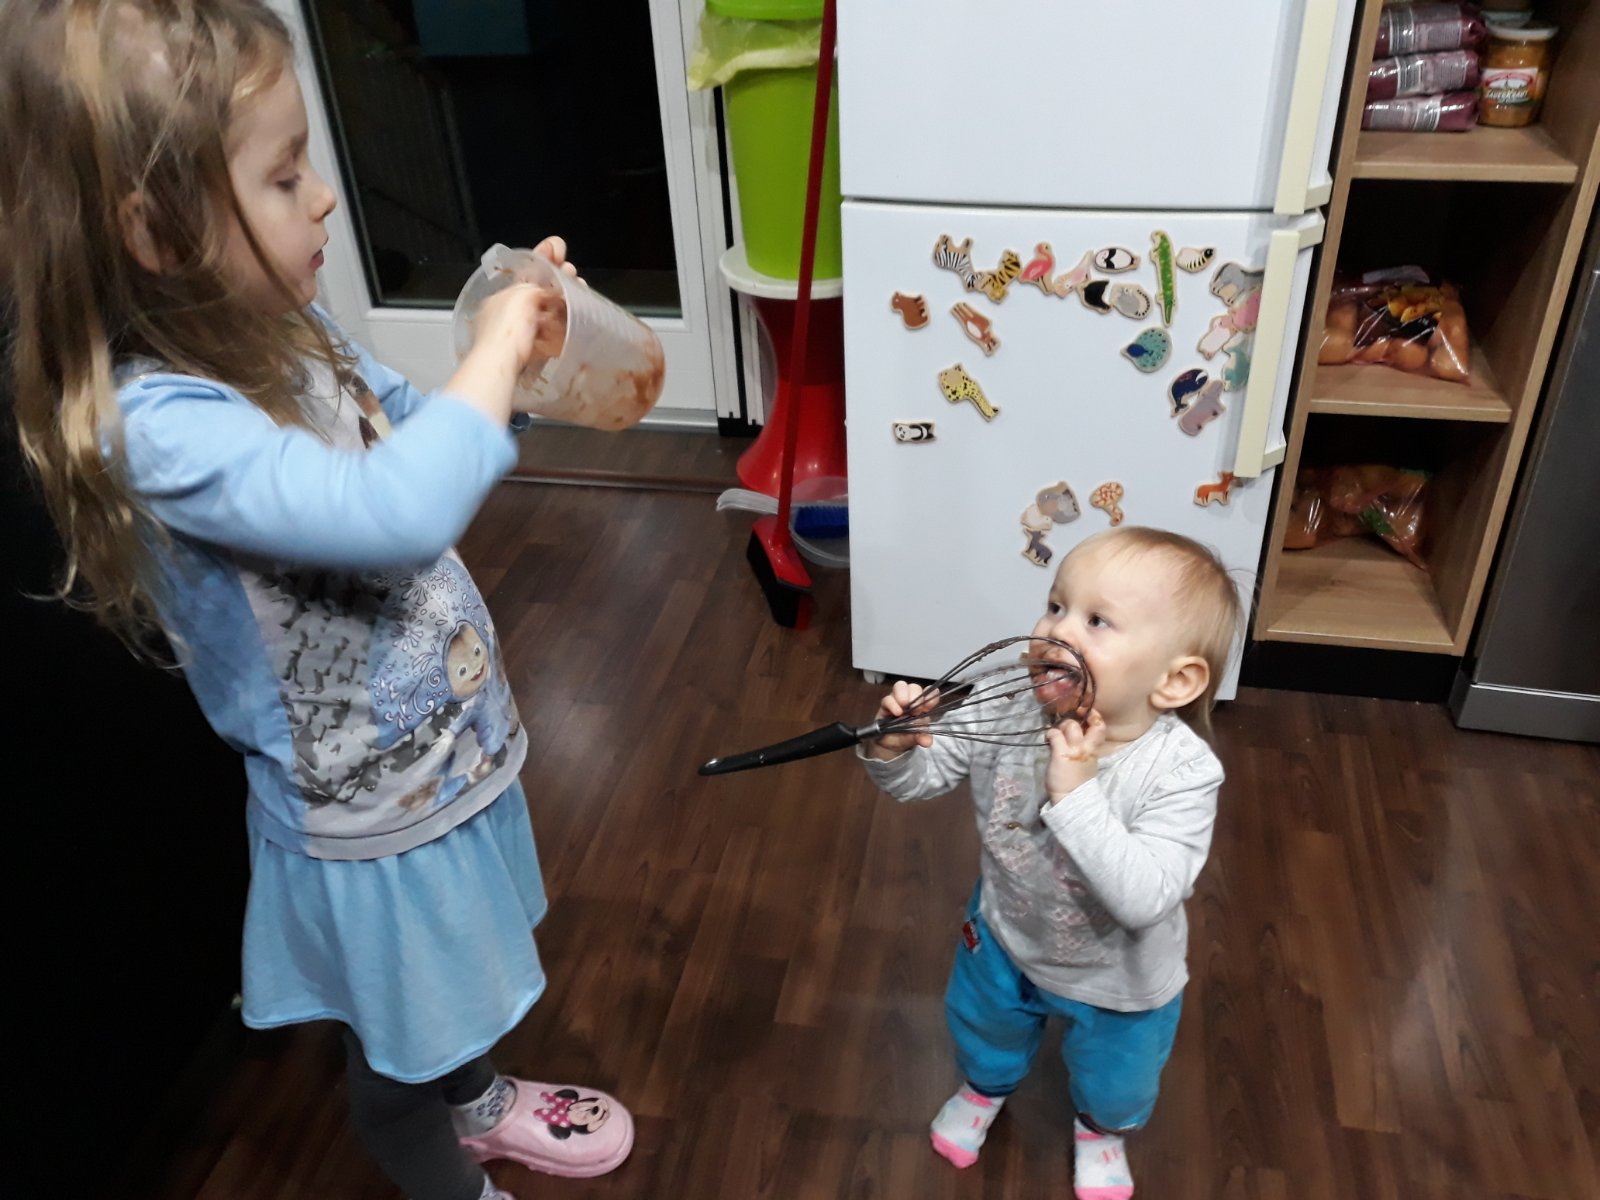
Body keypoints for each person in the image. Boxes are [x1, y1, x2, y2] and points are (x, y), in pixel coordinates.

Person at [1, 4, 631, 1198]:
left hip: (440, 758)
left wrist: (524, 360)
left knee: (453, 995)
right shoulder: (160, 425)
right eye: (285, 177)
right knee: (394, 1067)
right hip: (363, 827)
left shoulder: (285, 327)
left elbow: (414, 432)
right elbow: (395, 510)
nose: (326, 198)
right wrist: (493, 355)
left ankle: (475, 1095)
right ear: (157, 230)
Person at [861, 526, 1241, 1199]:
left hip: (1120, 977)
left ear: (1175, 679)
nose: (1056, 630)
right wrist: (894, 747)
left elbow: (1145, 898)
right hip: (1007, 933)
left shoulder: (1182, 774)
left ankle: (1100, 1130)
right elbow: (920, 781)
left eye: (1097, 621)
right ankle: (986, 1087)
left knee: (1117, 1077)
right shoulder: (1007, 707)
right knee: (983, 1026)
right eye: (1056, 605)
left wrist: (1077, 795)